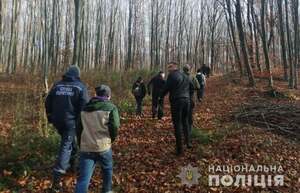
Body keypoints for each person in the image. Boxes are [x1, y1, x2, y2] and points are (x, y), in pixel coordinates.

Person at [45, 65, 89, 193]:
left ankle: (72, 167)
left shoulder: (57, 85)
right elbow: (85, 106)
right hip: (70, 123)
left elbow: (47, 102)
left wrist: (50, 118)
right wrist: (81, 123)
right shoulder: (80, 87)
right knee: (66, 146)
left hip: (57, 122)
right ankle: (56, 181)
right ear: (77, 75)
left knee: (69, 142)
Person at [75, 84, 120, 193]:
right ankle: (107, 190)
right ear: (108, 96)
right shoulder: (111, 108)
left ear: (96, 95)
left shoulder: (84, 108)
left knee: (84, 178)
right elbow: (115, 127)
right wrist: (111, 139)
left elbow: (78, 128)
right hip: (103, 146)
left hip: (86, 147)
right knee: (107, 170)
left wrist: (81, 144)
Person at [161, 62, 194, 156]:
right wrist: (190, 98)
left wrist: (160, 97)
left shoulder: (172, 76)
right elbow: (192, 87)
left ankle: (179, 149)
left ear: (174, 67)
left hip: (177, 102)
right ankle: (188, 143)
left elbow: (166, 88)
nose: (168, 69)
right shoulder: (185, 75)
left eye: (169, 67)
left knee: (177, 124)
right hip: (186, 101)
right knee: (185, 122)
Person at [183, 64, 200, 132]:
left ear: (183, 70)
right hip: (191, 98)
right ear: (189, 69)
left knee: (183, 114)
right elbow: (198, 86)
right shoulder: (192, 77)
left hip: (182, 98)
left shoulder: (180, 77)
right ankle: (189, 129)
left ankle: (183, 128)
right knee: (190, 113)